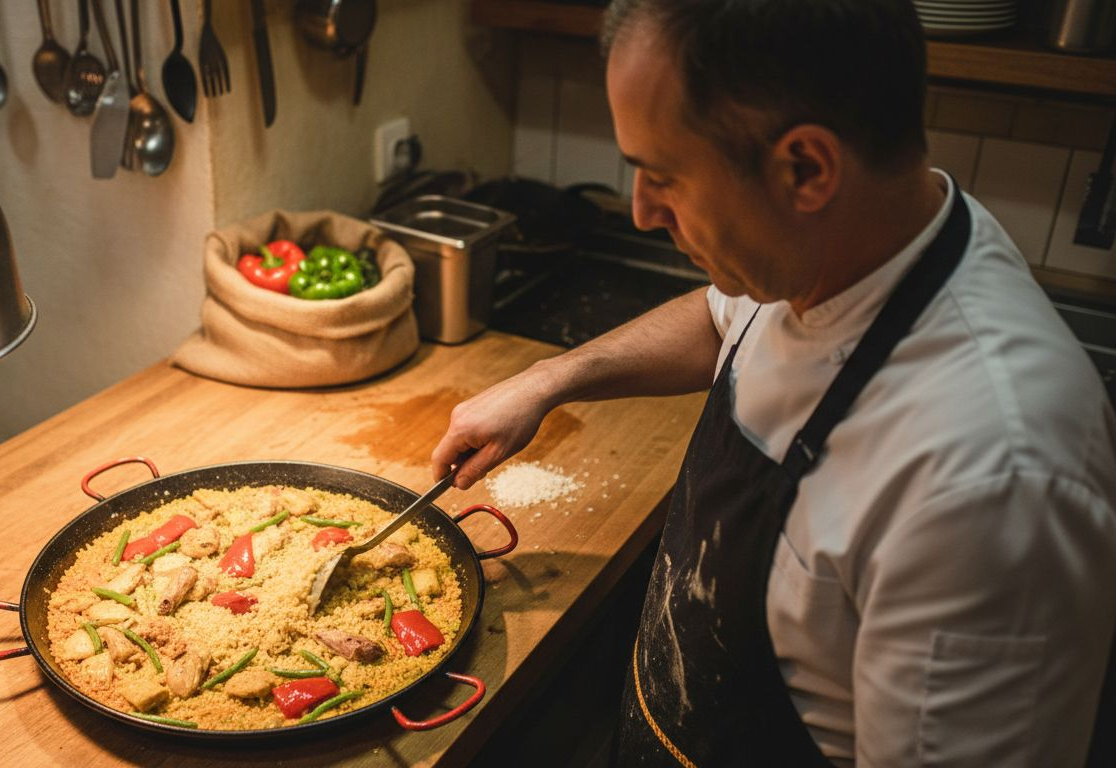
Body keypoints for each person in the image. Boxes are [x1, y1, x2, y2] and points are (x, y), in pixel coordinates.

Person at [429, 0, 1116, 765]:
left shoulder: (989, 484)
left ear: (807, 169)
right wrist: (550, 380)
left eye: (663, 177)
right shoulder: (832, 250)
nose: (641, 212)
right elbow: (721, 315)